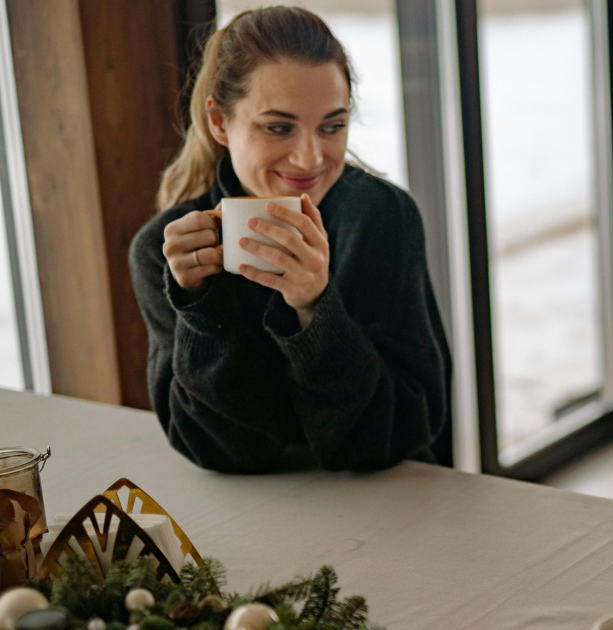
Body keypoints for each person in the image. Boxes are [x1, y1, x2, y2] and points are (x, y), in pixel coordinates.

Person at [130, 7, 450, 473]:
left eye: (333, 125)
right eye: (278, 127)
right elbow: (218, 452)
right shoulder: (167, 251)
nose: (310, 157)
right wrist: (203, 311)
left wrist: (315, 309)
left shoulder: (381, 218)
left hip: (390, 512)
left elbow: (408, 431)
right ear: (220, 123)